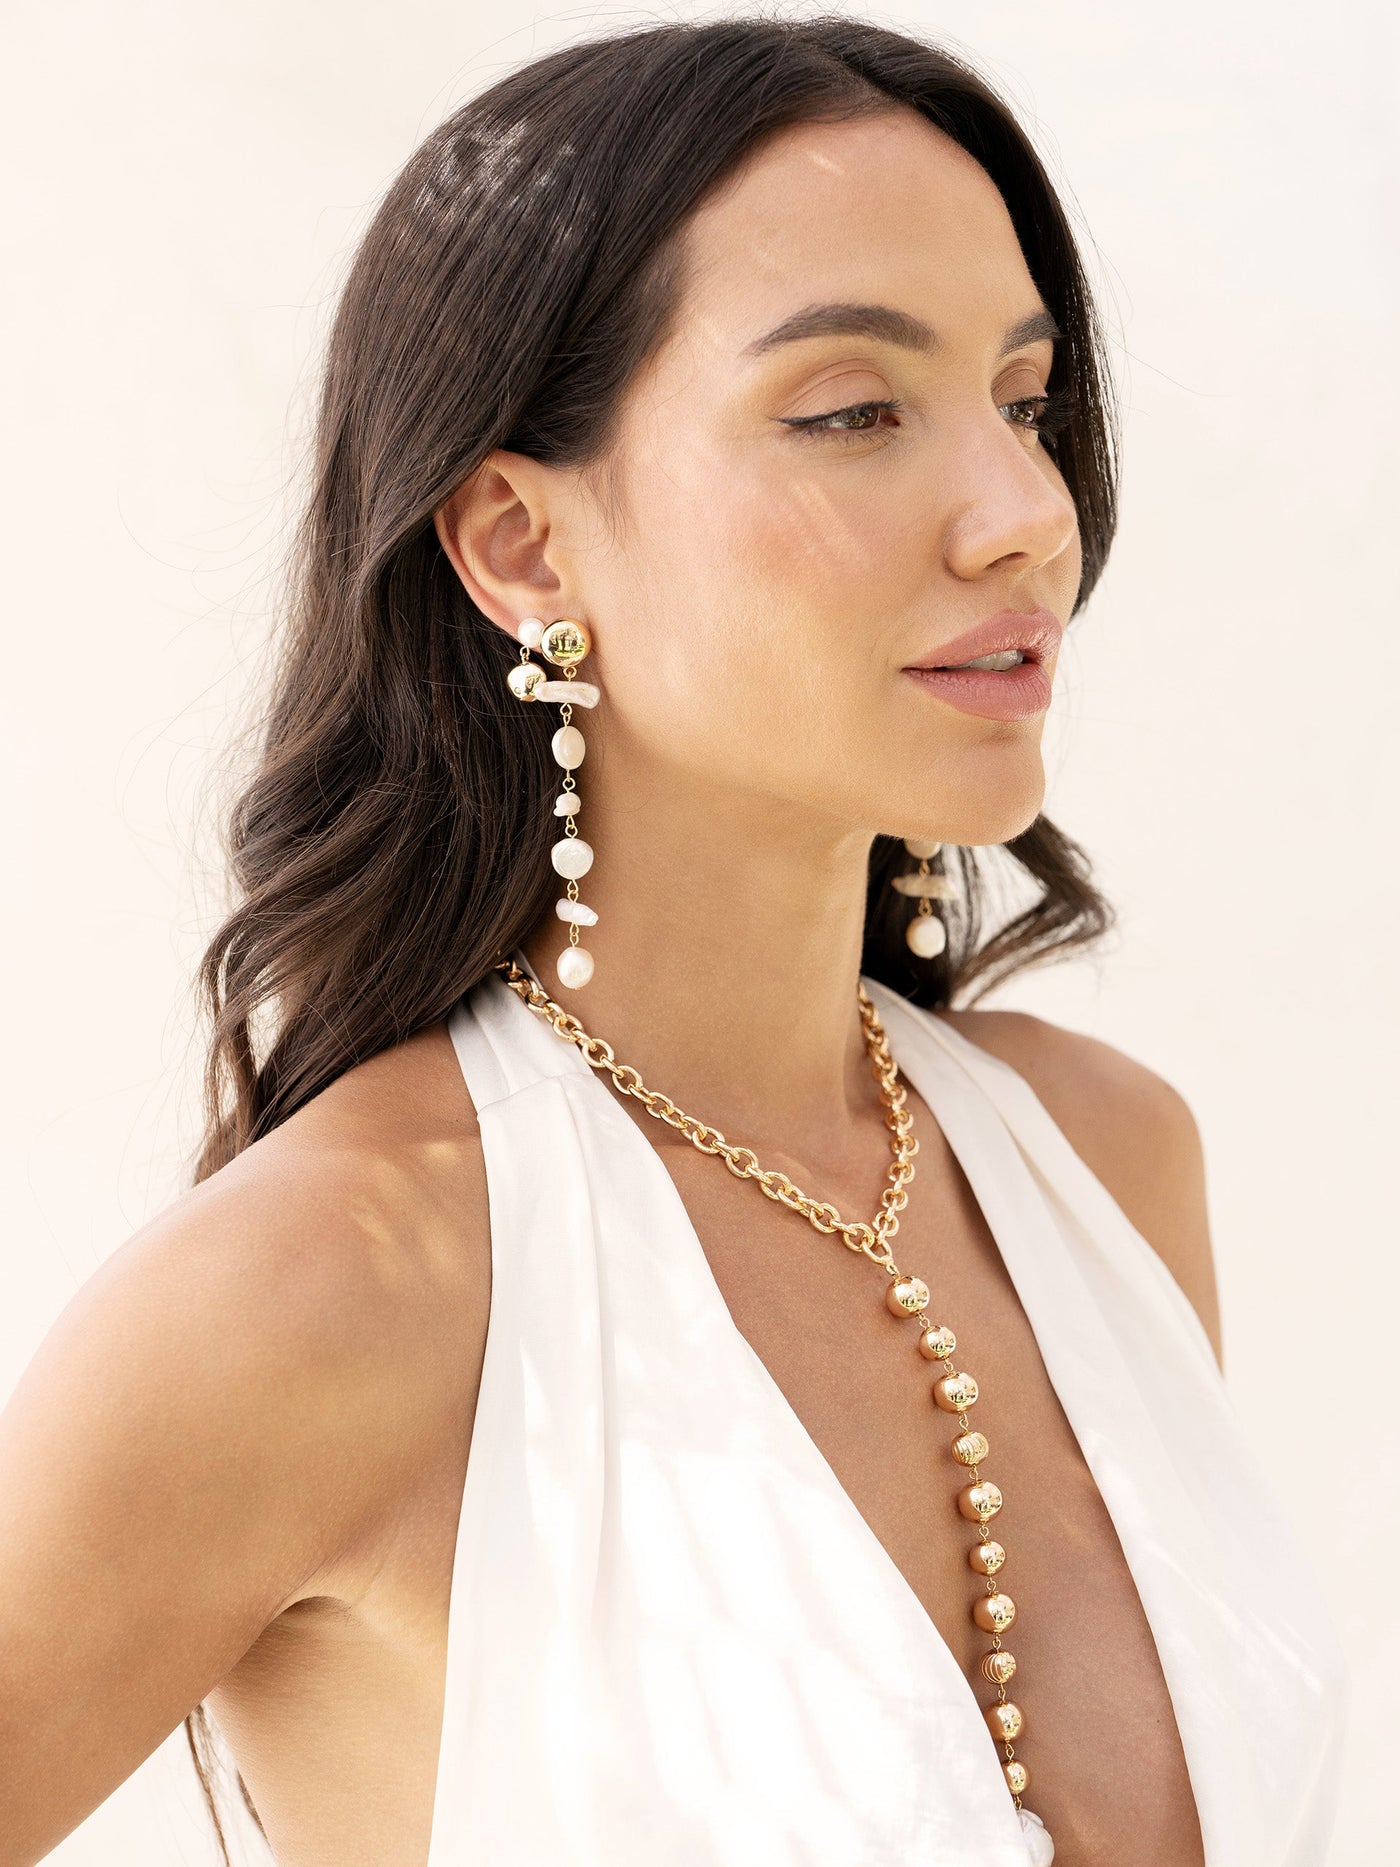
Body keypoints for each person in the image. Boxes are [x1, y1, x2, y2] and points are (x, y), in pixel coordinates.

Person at [0, 16, 1347, 1867]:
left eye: (1025, 403)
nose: (1029, 517)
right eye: (854, 411)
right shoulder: (334, 1293)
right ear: (521, 546)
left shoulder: (1108, 1168)